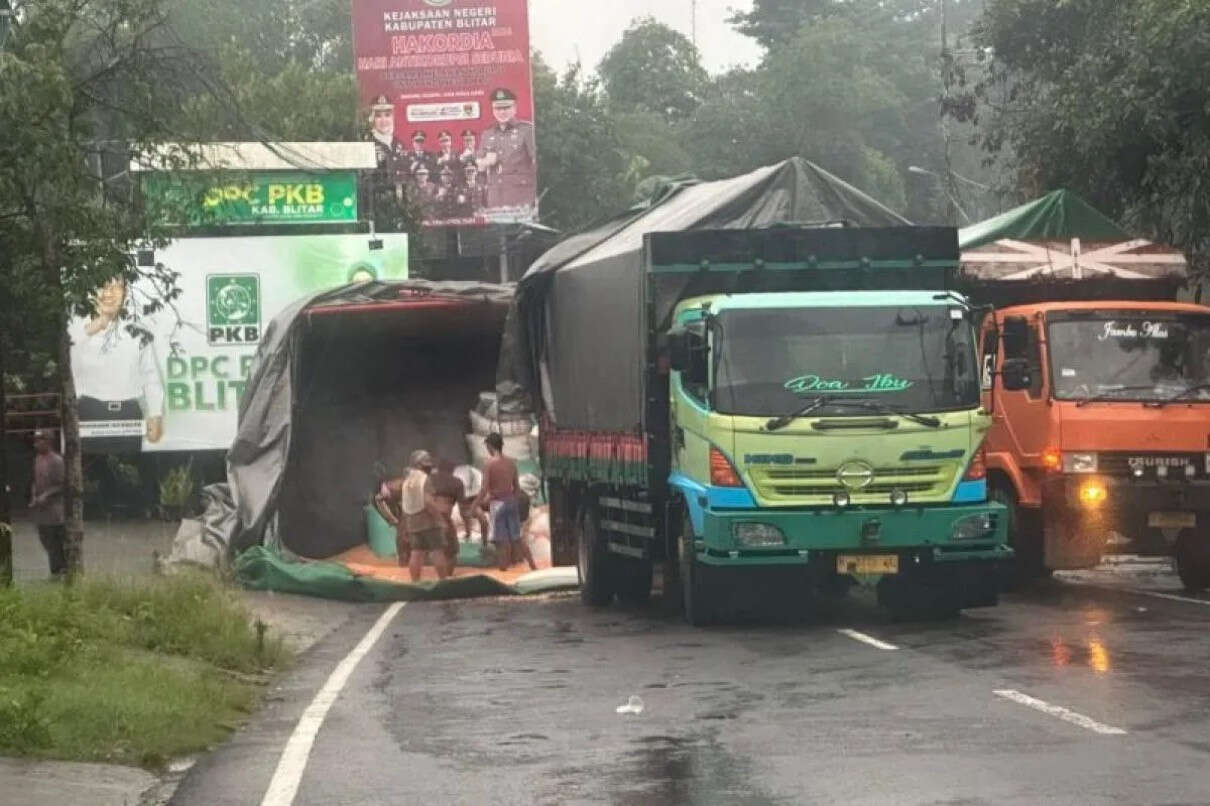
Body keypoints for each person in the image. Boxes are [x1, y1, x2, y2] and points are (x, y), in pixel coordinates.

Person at [70, 276, 165, 453]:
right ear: (92, 292)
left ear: (125, 294)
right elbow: (66, 366)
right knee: (91, 476)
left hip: (128, 415)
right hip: (89, 414)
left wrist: (155, 414)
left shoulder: (137, 331)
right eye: (103, 287)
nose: (109, 293)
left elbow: (150, 375)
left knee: (130, 474)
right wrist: (91, 329)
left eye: (117, 287)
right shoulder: (76, 331)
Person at [477, 433, 536, 572]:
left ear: (490, 446)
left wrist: (475, 504)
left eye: (487, 446)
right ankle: (533, 566)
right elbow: (516, 487)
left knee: (501, 541)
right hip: (510, 501)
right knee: (517, 538)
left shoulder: (489, 464)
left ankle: (503, 571)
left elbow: (484, 488)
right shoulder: (511, 463)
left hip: (497, 504)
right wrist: (512, 501)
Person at [476, 87, 537, 211]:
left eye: (506, 107)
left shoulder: (527, 131)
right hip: (494, 199)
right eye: (498, 108)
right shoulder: (487, 134)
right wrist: (484, 162)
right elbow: (479, 166)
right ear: (493, 110)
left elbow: (537, 163)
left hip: (520, 198)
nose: (502, 112)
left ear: (514, 108)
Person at [399, 450, 452, 582]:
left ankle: (415, 582)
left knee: (416, 552)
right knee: (437, 551)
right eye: (426, 461)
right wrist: (440, 519)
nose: (429, 464)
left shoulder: (407, 480)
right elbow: (428, 502)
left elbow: (405, 503)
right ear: (418, 464)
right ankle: (443, 582)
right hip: (428, 520)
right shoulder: (424, 479)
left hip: (412, 520)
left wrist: (405, 524)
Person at [29, 430, 66, 578]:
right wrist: (33, 495)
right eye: (36, 440)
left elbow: (62, 485)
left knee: (54, 541)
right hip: (40, 508)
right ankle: (58, 569)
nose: (36, 444)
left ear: (48, 442)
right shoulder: (37, 458)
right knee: (44, 539)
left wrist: (46, 495)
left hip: (54, 509)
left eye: (39, 441)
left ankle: (59, 571)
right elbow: (34, 481)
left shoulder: (57, 461)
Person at [367, 94, 406, 174]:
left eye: (387, 115)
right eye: (378, 116)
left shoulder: (399, 144)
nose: (383, 120)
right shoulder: (368, 144)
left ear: (392, 117)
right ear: (372, 119)